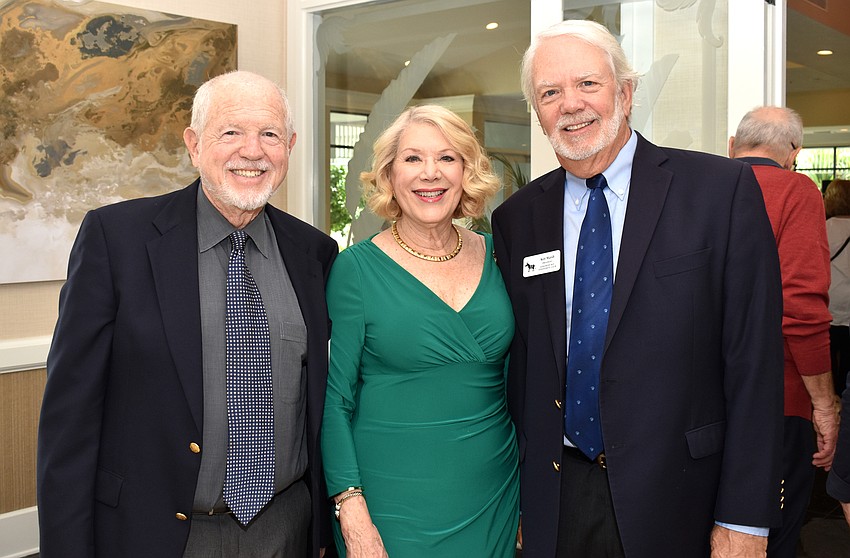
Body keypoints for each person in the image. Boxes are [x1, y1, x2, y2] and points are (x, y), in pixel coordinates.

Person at [492, 19, 784, 558]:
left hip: (683, 498)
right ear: (538, 111)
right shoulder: (518, 219)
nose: (570, 105)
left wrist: (746, 518)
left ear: (625, 92)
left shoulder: (719, 193)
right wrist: (522, 501)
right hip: (559, 496)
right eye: (550, 93)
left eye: (587, 84)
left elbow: (755, 365)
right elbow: (524, 371)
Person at [37, 71, 338, 557]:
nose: (252, 150)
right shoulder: (117, 240)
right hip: (156, 534)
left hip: (285, 529)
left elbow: (322, 406)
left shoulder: (315, 254)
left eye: (270, 134)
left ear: (290, 146)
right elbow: (68, 423)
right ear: (194, 144)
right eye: (231, 132)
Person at [321, 104, 519, 557]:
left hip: (494, 494)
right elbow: (336, 401)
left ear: (467, 171)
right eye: (413, 159)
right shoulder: (354, 270)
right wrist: (350, 507)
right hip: (391, 503)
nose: (431, 173)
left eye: (447, 158)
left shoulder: (499, 256)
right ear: (389, 175)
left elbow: (521, 377)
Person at [729, 106, 839, 558]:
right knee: (771, 535)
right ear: (794, 153)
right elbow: (801, 307)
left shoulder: (698, 188)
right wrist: (825, 405)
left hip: (698, 400)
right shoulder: (796, 190)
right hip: (777, 396)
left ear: (732, 146)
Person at [824, 179, 850, 396]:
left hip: (831, 300)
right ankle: (843, 385)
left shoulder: (824, 228)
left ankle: (832, 391)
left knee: (829, 348)